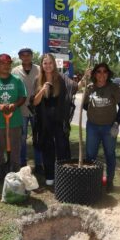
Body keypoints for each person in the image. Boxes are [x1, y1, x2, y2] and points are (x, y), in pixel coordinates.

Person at [32, 54, 82, 185]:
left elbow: (75, 87)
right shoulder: (37, 80)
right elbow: (34, 102)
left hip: (59, 120)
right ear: (42, 65)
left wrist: (85, 78)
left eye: (50, 63)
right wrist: (42, 90)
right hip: (44, 121)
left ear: (54, 64)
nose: (48, 65)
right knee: (47, 147)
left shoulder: (61, 78)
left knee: (62, 147)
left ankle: (64, 175)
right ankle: (50, 175)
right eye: (45, 63)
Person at [83, 63, 120, 192]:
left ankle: (109, 182)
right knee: (90, 155)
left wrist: (116, 123)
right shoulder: (90, 88)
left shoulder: (114, 88)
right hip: (92, 127)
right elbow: (84, 105)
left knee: (110, 154)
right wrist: (94, 112)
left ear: (108, 74)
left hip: (109, 128)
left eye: (105, 71)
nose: (102, 74)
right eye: (99, 71)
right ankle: (91, 181)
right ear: (95, 74)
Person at [11, 47, 42, 173]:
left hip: (37, 109)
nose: (26, 57)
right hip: (21, 109)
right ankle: (22, 163)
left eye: (28, 54)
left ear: (32, 56)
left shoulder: (39, 69)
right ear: (20, 57)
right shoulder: (15, 71)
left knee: (38, 137)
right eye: (23, 55)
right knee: (22, 138)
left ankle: (39, 164)